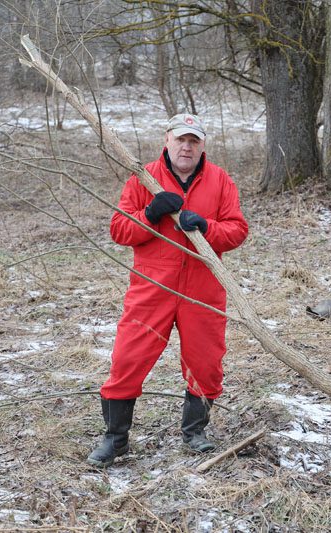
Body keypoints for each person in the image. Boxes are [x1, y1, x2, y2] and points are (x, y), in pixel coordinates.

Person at [87, 113, 249, 468]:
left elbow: (237, 230)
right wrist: (150, 215)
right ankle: (115, 439)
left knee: (206, 363)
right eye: (181, 139)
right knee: (128, 359)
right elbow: (118, 230)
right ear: (167, 140)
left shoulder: (220, 181)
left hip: (204, 287)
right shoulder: (143, 177)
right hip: (152, 286)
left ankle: (195, 433)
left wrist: (207, 227)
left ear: (202, 145)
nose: (186, 147)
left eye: (193, 141)